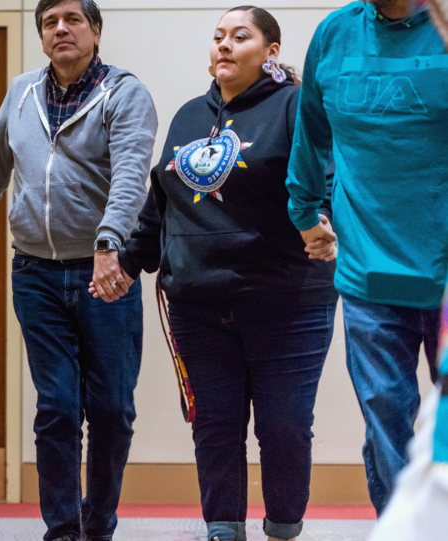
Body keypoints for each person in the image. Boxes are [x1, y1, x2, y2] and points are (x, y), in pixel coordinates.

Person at [0, 1, 157, 539]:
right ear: (40, 35)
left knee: (111, 412)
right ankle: (62, 529)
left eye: (73, 20)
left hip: (107, 275)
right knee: (56, 408)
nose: (61, 29)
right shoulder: (22, 92)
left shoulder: (124, 93)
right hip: (36, 276)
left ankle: (97, 525)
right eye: (50, 22)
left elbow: (130, 177)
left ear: (96, 31)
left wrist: (109, 245)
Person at [112, 7, 337, 541]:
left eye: (241, 36)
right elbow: (160, 204)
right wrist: (127, 262)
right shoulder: (190, 115)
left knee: (283, 429)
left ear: (271, 52)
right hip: (197, 303)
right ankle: (222, 529)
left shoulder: (296, 108)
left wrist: (326, 223)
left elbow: (323, 182)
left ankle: (283, 526)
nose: (225, 46)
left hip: (287, 299)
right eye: (217, 38)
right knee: (215, 426)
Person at [285, 0, 448, 514]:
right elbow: (311, 129)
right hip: (368, 276)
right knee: (386, 424)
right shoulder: (335, 34)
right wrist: (304, 209)